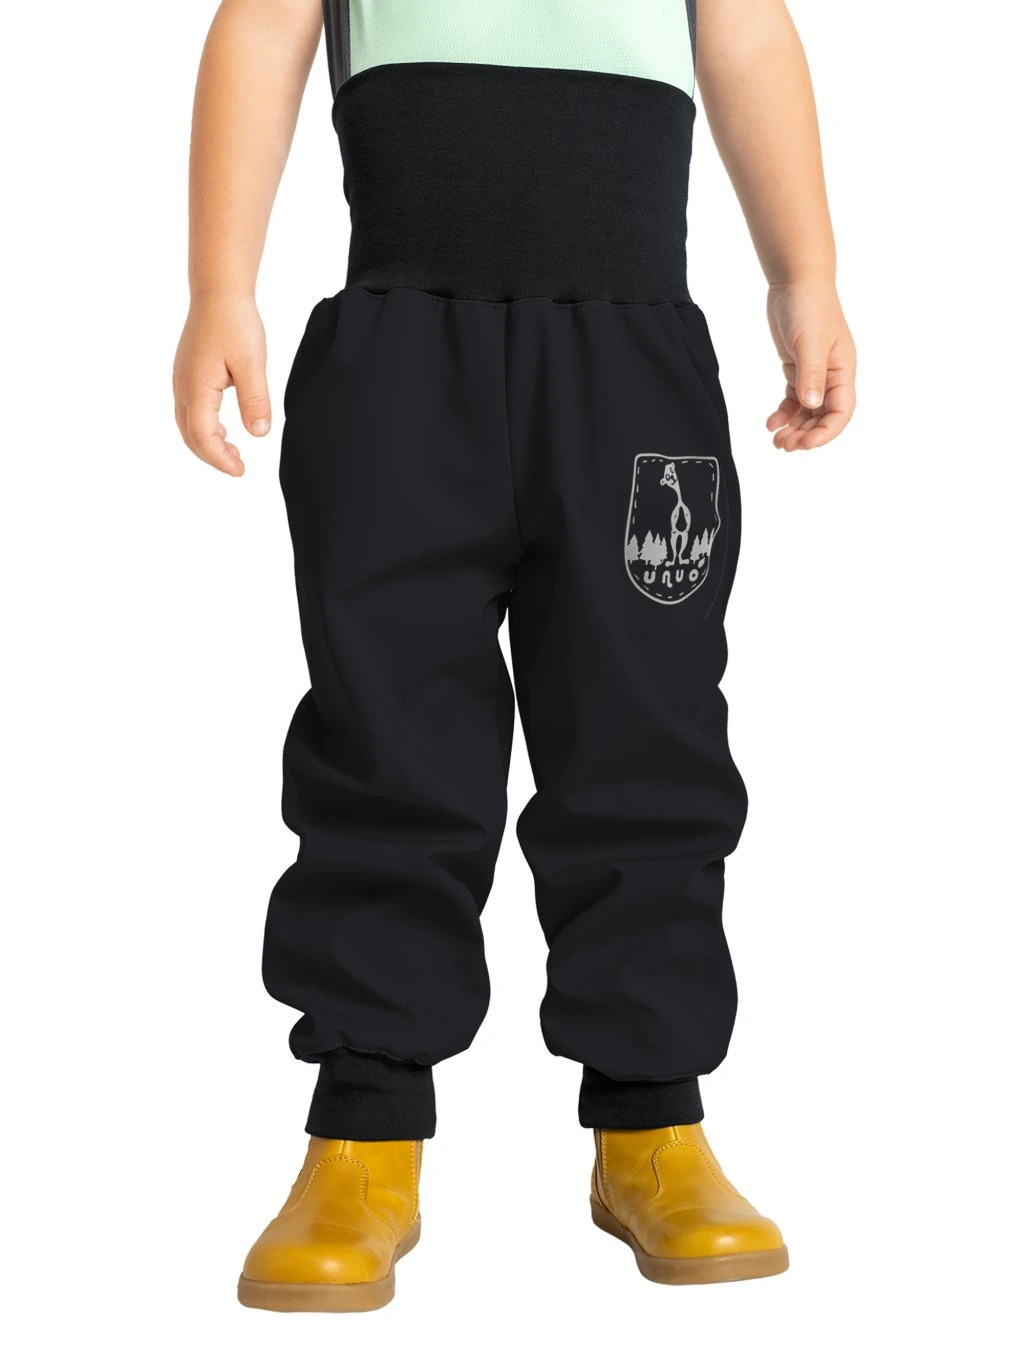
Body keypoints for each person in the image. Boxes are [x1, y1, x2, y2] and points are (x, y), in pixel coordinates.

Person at [173, 0, 856, 1311]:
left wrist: (804, 271)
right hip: (398, 362)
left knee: (646, 737)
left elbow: (749, 35)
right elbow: (261, 30)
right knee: (386, 740)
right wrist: (220, 287)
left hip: (633, 367)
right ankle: (364, 1130)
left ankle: (652, 1119)